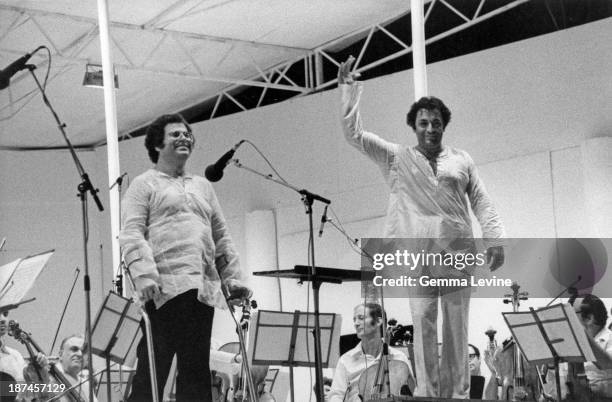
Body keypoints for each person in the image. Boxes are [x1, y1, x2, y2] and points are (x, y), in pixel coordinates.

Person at [337, 56, 505, 398]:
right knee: (423, 326)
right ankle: (428, 393)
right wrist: (348, 89)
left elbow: (482, 201)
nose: (431, 128)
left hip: (457, 255)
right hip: (418, 259)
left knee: (457, 328)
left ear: (445, 125)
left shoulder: (462, 159)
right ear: (414, 125)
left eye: (437, 122)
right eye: (424, 122)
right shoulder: (396, 158)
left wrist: (495, 240)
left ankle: (458, 395)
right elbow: (353, 135)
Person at [120, 113, 251, 401]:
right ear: (157, 144)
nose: (184, 138)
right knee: (152, 375)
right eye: (175, 134)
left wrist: (233, 280)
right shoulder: (144, 185)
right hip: (163, 291)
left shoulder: (204, 186)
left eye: (187, 134)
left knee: (196, 374)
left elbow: (221, 236)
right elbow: (131, 233)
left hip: (201, 292)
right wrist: (142, 275)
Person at [328, 303, 412, 402]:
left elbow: (412, 395)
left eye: (361, 318)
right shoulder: (346, 360)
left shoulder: (399, 357)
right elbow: (336, 396)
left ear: (378, 321)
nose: (356, 323)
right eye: (354, 319)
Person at [0, 310, 48, 402]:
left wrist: (41, 371)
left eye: (5, 314)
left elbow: (33, 391)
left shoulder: (15, 355)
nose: (2, 319)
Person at [53, 335, 98, 402]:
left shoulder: (85, 384)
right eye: (74, 349)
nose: (80, 354)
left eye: (84, 351)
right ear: (60, 354)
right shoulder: (48, 377)